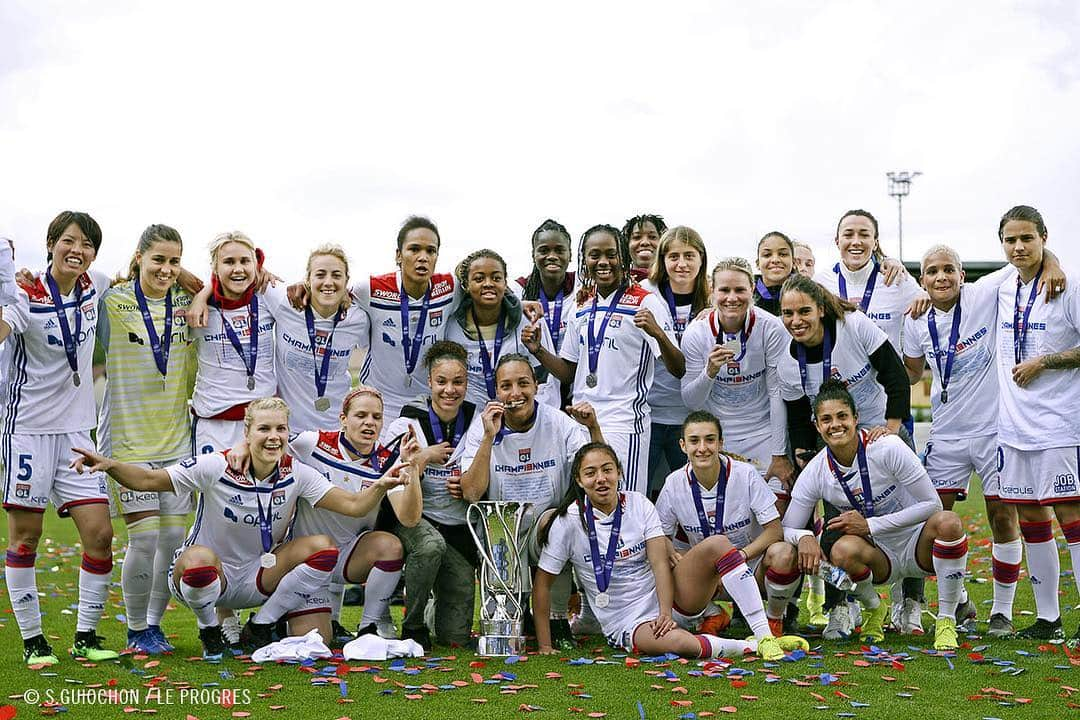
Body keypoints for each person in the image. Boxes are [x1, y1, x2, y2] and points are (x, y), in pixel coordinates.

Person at [71, 397, 418, 659]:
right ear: (247, 433)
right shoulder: (215, 465)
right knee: (200, 558)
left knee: (322, 548)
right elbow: (149, 479)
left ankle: (262, 623)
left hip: (259, 579)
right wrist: (110, 465)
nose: (273, 437)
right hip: (208, 576)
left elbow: (355, 504)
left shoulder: (296, 473)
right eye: (264, 429)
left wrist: (382, 485)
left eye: (280, 429)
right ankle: (210, 629)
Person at [901, 243, 1064, 637]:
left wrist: (1055, 262)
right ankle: (956, 603)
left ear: (962, 274)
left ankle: (1002, 613)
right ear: (922, 280)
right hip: (946, 433)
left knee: (1002, 517)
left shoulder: (984, 292)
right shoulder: (916, 318)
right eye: (932, 272)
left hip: (994, 430)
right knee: (932, 520)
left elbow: (1030, 256)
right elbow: (910, 373)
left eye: (948, 270)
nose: (941, 277)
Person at [534, 442, 808, 660]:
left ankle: (765, 635)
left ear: (619, 472)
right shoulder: (567, 521)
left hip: (668, 600)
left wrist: (665, 612)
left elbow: (659, 564)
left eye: (607, 470)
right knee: (679, 643)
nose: (601, 479)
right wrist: (545, 644)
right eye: (590, 473)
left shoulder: (639, 504)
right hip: (627, 621)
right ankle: (747, 647)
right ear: (580, 481)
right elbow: (542, 585)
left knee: (718, 544)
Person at [1, 211, 119, 665]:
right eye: (69, 241)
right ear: (51, 243)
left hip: (75, 434)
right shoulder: (24, 294)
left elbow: (143, 269)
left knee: (100, 534)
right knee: (26, 537)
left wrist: (202, 287)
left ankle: (85, 637)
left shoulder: (96, 284)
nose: (78, 250)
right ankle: (33, 642)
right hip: (26, 430)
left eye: (87, 244)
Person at [783, 380, 970, 651]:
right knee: (841, 551)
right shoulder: (816, 471)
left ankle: (946, 620)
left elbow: (932, 505)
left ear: (856, 418)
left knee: (949, 523)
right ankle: (874, 607)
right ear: (817, 426)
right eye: (826, 419)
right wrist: (803, 538)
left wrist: (869, 524)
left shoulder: (888, 448)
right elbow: (788, 526)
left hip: (917, 542)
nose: (835, 425)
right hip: (879, 556)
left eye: (842, 416)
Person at [777, 273, 912, 638]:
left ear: (821, 309)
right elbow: (795, 414)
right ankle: (840, 608)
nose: (796, 321)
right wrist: (805, 452)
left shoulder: (853, 326)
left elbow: (895, 374)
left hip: (880, 429)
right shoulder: (788, 358)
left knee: (906, 515)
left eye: (804, 311)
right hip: (836, 436)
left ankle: (910, 605)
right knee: (836, 525)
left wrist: (894, 428)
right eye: (787, 313)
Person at [97, 224, 198, 654]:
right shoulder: (112, 301)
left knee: (173, 541)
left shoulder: (186, 304)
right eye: (158, 259)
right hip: (127, 443)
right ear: (137, 257)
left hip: (176, 443)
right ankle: (136, 628)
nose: (167, 269)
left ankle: (153, 625)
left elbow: (214, 288)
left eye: (175, 261)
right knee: (144, 539)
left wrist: (198, 286)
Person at [526, 224, 684, 494]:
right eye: (594, 255)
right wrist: (538, 350)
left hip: (624, 423)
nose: (603, 262)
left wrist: (658, 333)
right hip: (581, 421)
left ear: (623, 257)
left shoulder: (646, 301)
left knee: (623, 501)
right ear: (584, 260)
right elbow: (569, 373)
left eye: (611, 254)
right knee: (584, 503)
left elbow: (678, 368)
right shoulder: (581, 304)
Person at [459, 354, 604, 642]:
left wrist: (593, 428)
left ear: (536, 386)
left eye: (523, 383)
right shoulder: (483, 426)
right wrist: (489, 438)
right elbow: (471, 492)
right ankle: (515, 615)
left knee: (561, 524)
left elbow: (598, 469)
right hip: (502, 527)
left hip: (543, 523)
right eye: (506, 386)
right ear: (496, 392)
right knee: (501, 537)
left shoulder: (559, 423)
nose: (516, 393)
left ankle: (558, 618)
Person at [992, 205, 1080, 643]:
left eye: (1027, 238)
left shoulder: (1069, 285)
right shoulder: (1002, 287)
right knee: (1030, 517)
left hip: (1059, 426)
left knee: (1072, 517)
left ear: (1044, 237)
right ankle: (1049, 620)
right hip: (1014, 428)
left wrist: (1046, 361)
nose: (1019, 246)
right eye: (1010, 240)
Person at [282, 386, 423, 643]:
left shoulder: (389, 459)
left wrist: (412, 469)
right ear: (343, 419)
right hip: (306, 558)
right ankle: (277, 614)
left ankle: (368, 627)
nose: (369, 422)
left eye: (377, 417)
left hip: (348, 555)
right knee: (319, 641)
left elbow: (409, 518)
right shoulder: (311, 443)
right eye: (361, 415)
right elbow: (272, 452)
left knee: (390, 546)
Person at [655, 412, 803, 637]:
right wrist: (675, 554)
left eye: (710, 440)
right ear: (683, 445)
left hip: (751, 567)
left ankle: (774, 619)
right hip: (709, 576)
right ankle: (712, 614)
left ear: (721, 443)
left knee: (783, 554)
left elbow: (774, 531)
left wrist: (739, 557)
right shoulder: (674, 483)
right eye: (694, 441)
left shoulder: (746, 474)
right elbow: (660, 536)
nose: (702, 448)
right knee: (662, 563)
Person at [385, 341, 482, 647]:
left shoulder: (478, 423)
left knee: (454, 634)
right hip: (415, 521)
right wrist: (423, 458)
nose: (449, 390)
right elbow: (393, 483)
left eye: (458, 382)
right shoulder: (406, 423)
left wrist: (467, 484)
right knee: (429, 547)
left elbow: (483, 483)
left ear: (467, 383)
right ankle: (413, 625)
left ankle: (431, 611)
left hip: (458, 525)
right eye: (441, 382)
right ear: (429, 382)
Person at [681, 258, 794, 501]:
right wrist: (709, 372)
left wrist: (779, 454)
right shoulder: (696, 333)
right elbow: (690, 401)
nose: (732, 298)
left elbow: (776, 392)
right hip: (719, 437)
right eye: (724, 290)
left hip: (763, 432)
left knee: (776, 515)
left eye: (740, 290)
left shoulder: (770, 328)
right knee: (725, 513)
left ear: (752, 289)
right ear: (712, 291)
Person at [349, 216, 461, 420]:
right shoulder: (371, 289)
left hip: (429, 402)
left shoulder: (449, 287)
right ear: (398, 255)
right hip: (379, 400)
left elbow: (487, 290)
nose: (423, 257)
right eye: (414, 249)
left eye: (431, 251)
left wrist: (518, 304)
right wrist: (303, 287)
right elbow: (331, 294)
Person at [262, 245, 369, 433]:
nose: (328, 282)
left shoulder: (358, 319)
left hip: (337, 431)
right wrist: (202, 296)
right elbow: (244, 266)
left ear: (346, 281)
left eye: (336, 275)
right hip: (289, 431)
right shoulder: (284, 302)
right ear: (307, 280)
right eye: (320, 275)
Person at [188, 232, 277, 456]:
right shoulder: (196, 305)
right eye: (229, 262)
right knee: (216, 489)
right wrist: (201, 295)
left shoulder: (269, 295)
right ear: (214, 268)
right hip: (214, 425)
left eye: (245, 261)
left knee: (262, 491)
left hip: (263, 423)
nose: (238, 269)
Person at [639, 226, 711, 498]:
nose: (682, 264)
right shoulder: (646, 295)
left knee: (694, 494)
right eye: (674, 257)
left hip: (690, 415)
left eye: (690, 256)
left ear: (702, 259)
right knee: (645, 492)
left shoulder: (713, 297)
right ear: (662, 260)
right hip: (651, 412)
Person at [446, 249, 553, 408]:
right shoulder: (452, 326)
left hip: (520, 415)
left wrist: (528, 419)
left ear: (505, 283)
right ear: (466, 285)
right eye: (479, 278)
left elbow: (545, 382)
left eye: (496, 278)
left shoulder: (529, 321)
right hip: (471, 420)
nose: (488, 283)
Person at [514, 219, 577, 406]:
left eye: (559, 250)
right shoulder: (519, 290)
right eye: (543, 250)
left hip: (578, 387)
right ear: (533, 255)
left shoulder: (583, 286)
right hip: (540, 391)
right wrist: (517, 304)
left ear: (570, 254)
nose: (552, 256)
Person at [623, 214, 667, 282]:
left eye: (652, 237)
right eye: (637, 237)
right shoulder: (617, 284)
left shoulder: (675, 283)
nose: (645, 242)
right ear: (627, 245)